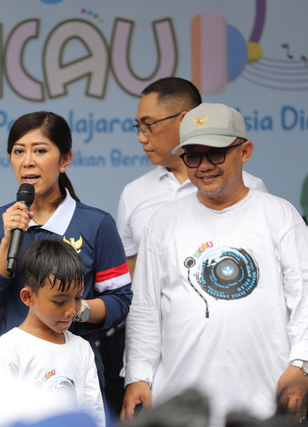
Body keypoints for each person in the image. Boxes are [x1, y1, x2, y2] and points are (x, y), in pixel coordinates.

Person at [122, 103, 308, 426]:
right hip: (180, 410)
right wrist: (137, 376)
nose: (204, 166)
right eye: (193, 156)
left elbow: (304, 298)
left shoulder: (279, 215)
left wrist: (302, 365)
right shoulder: (163, 223)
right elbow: (145, 310)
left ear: (245, 151)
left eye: (216, 153)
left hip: (265, 407)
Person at [0, 111, 132, 400]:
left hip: (74, 370)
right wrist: (7, 242)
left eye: (40, 150)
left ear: (65, 160)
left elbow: (120, 301)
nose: (28, 161)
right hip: (15, 370)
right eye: (19, 151)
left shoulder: (96, 223)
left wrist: (72, 308)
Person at [117, 77, 267, 276]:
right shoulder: (133, 193)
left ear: (185, 119)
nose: (141, 137)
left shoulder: (250, 189)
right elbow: (132, 274)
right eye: (139, 127)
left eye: (149, 125)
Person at [0, 239, 105, 426]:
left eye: (78, 298)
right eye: (59, 301)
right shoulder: (11, 347)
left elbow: (94, 414)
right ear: (28, 296)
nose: (71, 310)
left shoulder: (82, 349)